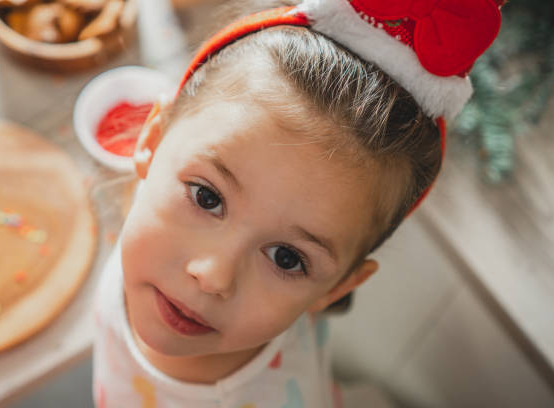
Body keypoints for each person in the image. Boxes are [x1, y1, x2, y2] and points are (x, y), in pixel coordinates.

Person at [92, 0, 504, 406]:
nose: (212, 276)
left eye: (287, 258)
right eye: (207, 197)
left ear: (338, 287)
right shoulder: (149, 249)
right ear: (152, 141)